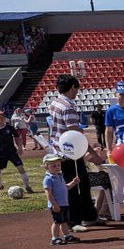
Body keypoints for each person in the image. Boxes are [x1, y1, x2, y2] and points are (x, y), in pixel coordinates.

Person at [47, 74, 102, 230]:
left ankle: (88, 215)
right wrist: (92, 152)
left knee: (79, 183)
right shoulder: (67, 107)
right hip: (70, 153)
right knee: (77, 185)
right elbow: (76, 133)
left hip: (59, 150)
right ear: (72, 87)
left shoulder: (55, 103)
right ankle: (74, 221)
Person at [43, 154, 78, 245]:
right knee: (57, 222)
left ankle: (67, 235)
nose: (57, 167)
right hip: (56, 205)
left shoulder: (60, 176)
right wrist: (54, 204)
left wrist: (73, 183)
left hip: (64, 203)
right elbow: (48, 193)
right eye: (53, 166)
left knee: (64, 221)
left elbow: (65, 187)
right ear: (46, 167)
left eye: (58, 165)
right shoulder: (48, 179)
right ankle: (55, 238)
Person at [0, 111, 33, 192]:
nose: (0, 120)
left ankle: (27, 187)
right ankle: (0, 185)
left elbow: (17, 137)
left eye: (1, 118)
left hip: (12, 152)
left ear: (4, 119)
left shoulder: (10, 128)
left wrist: (20, 148)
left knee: (20, 167)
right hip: (0, 153)